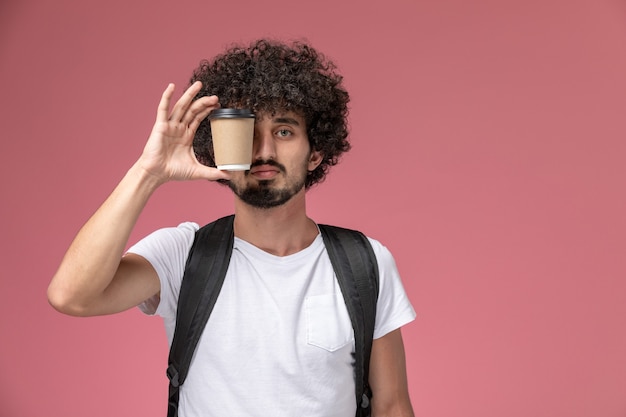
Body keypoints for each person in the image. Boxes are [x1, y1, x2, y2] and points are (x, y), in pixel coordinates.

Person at [48, 39, 416, 417]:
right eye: (246, 132)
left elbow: (391, 405)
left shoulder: (364, 262)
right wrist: (147, 173)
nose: (264, 151)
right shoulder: (183, 255)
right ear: (220, 147)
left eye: (284, 131)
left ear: (316, 152)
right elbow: (72, 296)